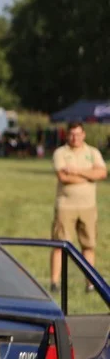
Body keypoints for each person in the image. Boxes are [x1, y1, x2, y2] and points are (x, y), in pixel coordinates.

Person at [51, 121, 108, 292]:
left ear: (84, 134)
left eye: (78, 134)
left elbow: (102, 173)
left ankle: (90, 283)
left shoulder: (92, 152)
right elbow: (63, 177)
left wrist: (76, 171)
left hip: (88, 207)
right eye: (71, 134)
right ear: (67, 135)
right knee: (59, 244)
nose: (75, 137)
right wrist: (89, 175)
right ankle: (55, 283)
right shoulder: (60, 153)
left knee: (88, 245)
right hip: (65, 206)